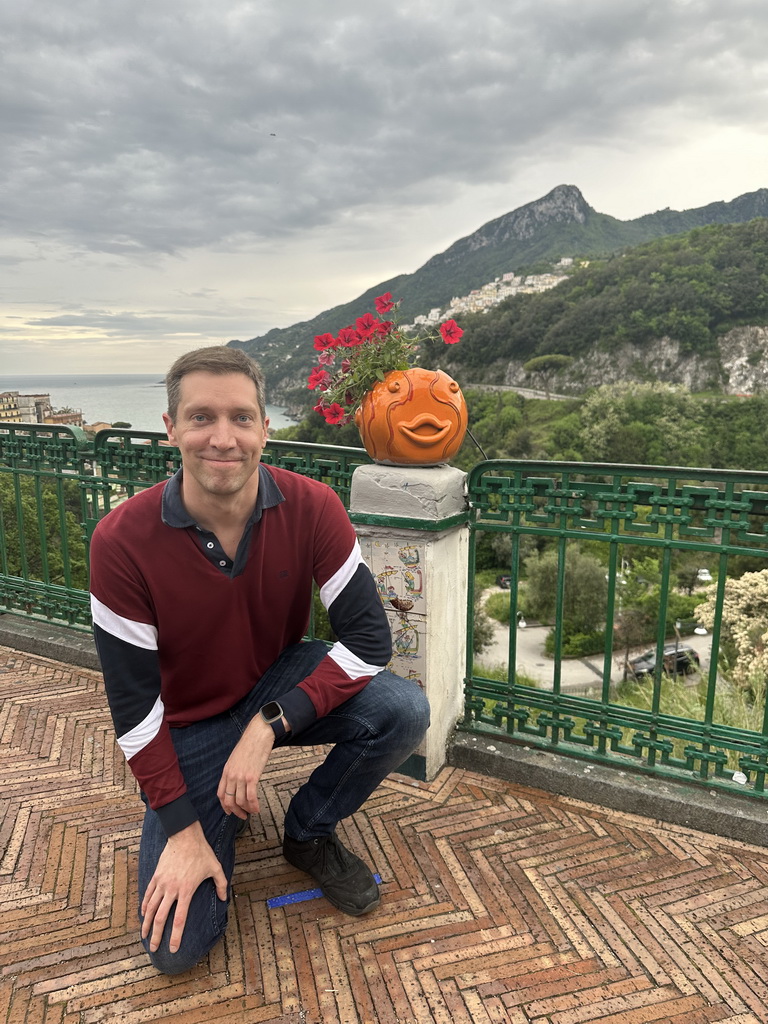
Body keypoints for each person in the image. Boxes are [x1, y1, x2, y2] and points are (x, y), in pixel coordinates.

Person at [89, 346, 430, 975]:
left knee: (403, 709)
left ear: (266, 429)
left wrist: (266, 725)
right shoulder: (122, 542)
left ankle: (308, 831)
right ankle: (211, 816)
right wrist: (185, 832)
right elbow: (136, 712)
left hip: (271, 683)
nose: (224, 438)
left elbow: (369, 641)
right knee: (175, 951)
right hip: (185, 726)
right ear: (170, 429)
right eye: (201, 418)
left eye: (242, 418)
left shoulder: (312, 507)